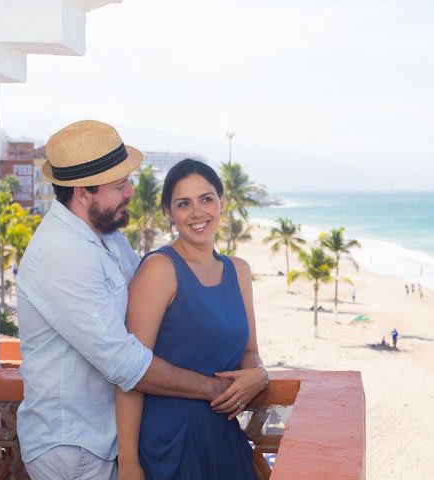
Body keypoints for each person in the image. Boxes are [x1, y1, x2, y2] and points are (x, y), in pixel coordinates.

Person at [15, 121, 230, 480]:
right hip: (74, 449)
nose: (130, 191)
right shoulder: (62, 253)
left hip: (103, 442)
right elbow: (124, 362)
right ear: (83, 193)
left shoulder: (106, 237)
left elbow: (154, 301)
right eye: (119, 185)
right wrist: (214, 389)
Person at [116, 159, 268, 479]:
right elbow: (129, 371)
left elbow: (249, 352)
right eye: (184, 204)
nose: (197, 212)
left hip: (223, 440)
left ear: (222, 202)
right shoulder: (160, 269)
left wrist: (260, 375)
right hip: (169, 446)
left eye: (206, 199)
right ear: (170, 214)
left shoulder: (238, 271)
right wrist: (129, 462)